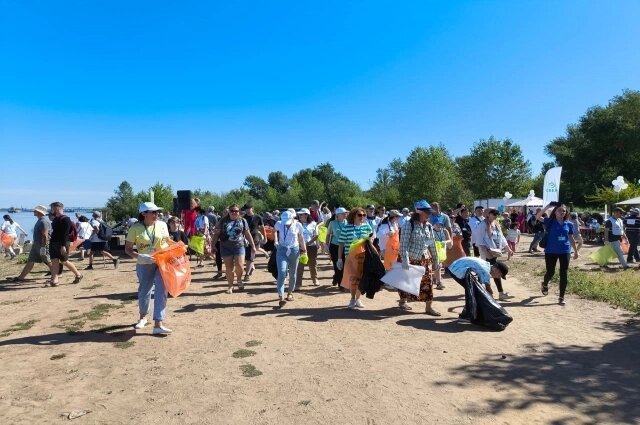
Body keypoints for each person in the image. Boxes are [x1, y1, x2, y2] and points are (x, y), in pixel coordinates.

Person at [125, 202, 173, 335]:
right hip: (144, 263)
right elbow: (128, 249)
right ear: (143, 214)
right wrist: (140, 256)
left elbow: (168, 241)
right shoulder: (135, 228)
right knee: (144, 290)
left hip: (162, 262)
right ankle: (143, 317)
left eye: (157, 212)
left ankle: (158, 323)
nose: (156, 214)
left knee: (162, 289)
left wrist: (180, 246)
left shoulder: (162, 225)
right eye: (153, 212)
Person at [398, 200, 440, 315]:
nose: (429, 214)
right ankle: (402, 301)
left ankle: (429, 307)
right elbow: (404, 244)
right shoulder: (409, 224)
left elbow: (432, 244)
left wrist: (436, 260)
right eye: (427, 212)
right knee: (407, 283)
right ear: (419, 212)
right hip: (411, 259)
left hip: (425, 259)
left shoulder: (429, 226)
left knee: (428, 283)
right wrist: (405, 259)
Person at [536, 203, 579, 305]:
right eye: (559, 210)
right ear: (555, 212)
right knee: (550, 272)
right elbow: (537, 217)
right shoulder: (550, 221)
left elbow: (571, 238)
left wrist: (576, 251)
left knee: (564, 273)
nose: (562, 212)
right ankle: (545, 284)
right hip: (551, 251)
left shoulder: (569, 224)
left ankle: (561, 297)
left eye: (564, 211)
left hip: (565, 251)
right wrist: (547, 207)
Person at [211, 204, 256, 293]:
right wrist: (212, 245)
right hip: (225, 247)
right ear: (229, 212)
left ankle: (239, 279)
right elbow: (216, 234)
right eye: (232, 211)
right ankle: (230, 286)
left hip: (239, 246)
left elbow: (247, 233)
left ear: (239, 212)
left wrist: (253, 245)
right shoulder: (222, 221)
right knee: (229, 267)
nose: (234, 212)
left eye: (236, 211)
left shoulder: (243, 221)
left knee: (239, 266)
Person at [337, 207, 374, 309]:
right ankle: (352, 299)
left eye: (364, 215)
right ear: (353, 216)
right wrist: (339, 259)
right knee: (353, 279)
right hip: (351, 257)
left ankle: (358, 299)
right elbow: (341, 244)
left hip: (364, 257)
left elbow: (371, 240)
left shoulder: (367, 226)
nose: (362, 217)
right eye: (359, 215)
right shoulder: (347, 227)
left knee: (362, 279)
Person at [476, 208, 514, 301]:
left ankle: (500, 293)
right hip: (487, 253)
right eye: (494, 213)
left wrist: (508, 248)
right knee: (485, 273)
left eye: (497, 214)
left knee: (495, 272)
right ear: (488, 214)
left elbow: (501, 237)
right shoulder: (483, 224)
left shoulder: (496, 224)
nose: (496, 215)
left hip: (495, 252)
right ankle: (483, 294)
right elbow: (479, 241)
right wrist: (486, 253)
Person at [7, 205, 51, 282]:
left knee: (48, 261)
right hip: (36, 245)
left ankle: (55, 276)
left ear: (40, 212)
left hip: (41, 245)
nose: (33, 212)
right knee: (31, 260)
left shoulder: (43, 221)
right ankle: (21, 277)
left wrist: (43, 247)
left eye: (35, 211)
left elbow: (45, 235)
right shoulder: (41, 220)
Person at [46, 201, 83, 286]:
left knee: (64, 261)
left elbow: (65, 234)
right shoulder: (55, 219)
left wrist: (63, 246)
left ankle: (78, 275)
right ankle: (55, 280)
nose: (51, 210)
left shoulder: (66, 219)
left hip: (62, 243)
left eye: (52, 208)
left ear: (57, 208)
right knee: (54, 261)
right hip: (54, 242)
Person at [274, 210, 306, 305]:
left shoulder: (298, 225)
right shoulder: (279, 223)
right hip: (281, 250)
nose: (286, 224)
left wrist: (304, 250)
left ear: (292, 218)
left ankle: (290, 292)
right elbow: (274, 230)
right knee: (282, 271)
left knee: (292, 273)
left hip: (294, 250)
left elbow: (301, 237)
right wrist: (275, 240)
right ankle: (281, 295)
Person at [242, 203, 266, 282]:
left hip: (255, 237)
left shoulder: (258, 217)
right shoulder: (243, 218)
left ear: (252, 208)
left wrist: (265, 237)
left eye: (248, 208)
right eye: (245, 209)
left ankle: (247, 275)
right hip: (246, 238)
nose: (247, 210)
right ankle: (251, 267)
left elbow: (262, 228)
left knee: (250, 256)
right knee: (247, 256)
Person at [296, 208, 319, 287]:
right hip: (300, 247)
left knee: (312, 264)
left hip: (311, 247)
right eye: (299, 214)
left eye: (301, 214)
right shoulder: (296, 224)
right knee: (300, 265)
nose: (300, 215)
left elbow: (316, 235)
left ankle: (315, 279)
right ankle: (298, 283)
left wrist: (309, 243)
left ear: (306, 215)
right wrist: (301, 244)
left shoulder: (313, 224)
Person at [326, 207, 348, 287]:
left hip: (345, 246)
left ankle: (336, 277)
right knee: (337, 265)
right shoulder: (332, 223)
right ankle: (340, 283)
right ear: (338, 215)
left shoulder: (348, 223)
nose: (345, 214)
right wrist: (326, 245)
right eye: (343, 213)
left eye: (346, 213)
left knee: (344, 265)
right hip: (335, 246)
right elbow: (328, 234)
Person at [431, 216, 452, 290]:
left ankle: (436, 279)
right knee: (438, 266)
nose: (439, 225)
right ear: (434, 224)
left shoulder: (445, 231)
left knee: (439, 266)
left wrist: (445, 242)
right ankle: (439, 282)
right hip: (433, 250)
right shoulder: (431, 231)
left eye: (440, 224)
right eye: (437, 224)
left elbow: (450, 241)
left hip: (442, 251)